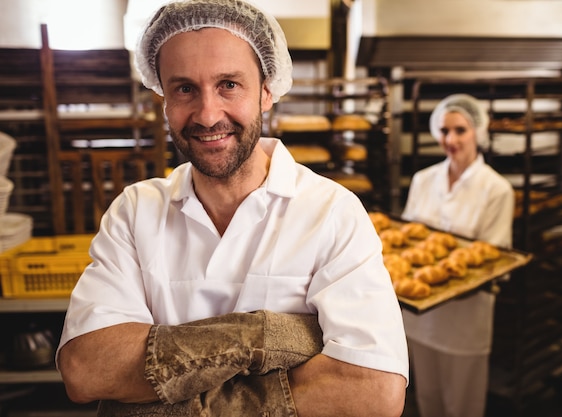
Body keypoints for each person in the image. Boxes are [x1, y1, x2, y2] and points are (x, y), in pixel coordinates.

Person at [55, 1, 409, 416]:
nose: (207, 115)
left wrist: (165, 407)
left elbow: (373, 393)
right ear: (163, 98)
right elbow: (87, 369)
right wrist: (265, 335)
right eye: (184, 88)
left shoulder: (331, 212)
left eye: (228, 85)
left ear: (266, 91)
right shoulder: (136, 211)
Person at [401, 94, 515, 417]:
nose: (450, 139)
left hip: (464, 322)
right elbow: (408, 244)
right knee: (428, 401)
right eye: (444, 130)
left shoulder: (496, 190)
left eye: (460, 130)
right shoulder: (423, 180)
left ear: (478, 131)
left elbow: (493, 262)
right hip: (418, 318)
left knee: (463, 406)